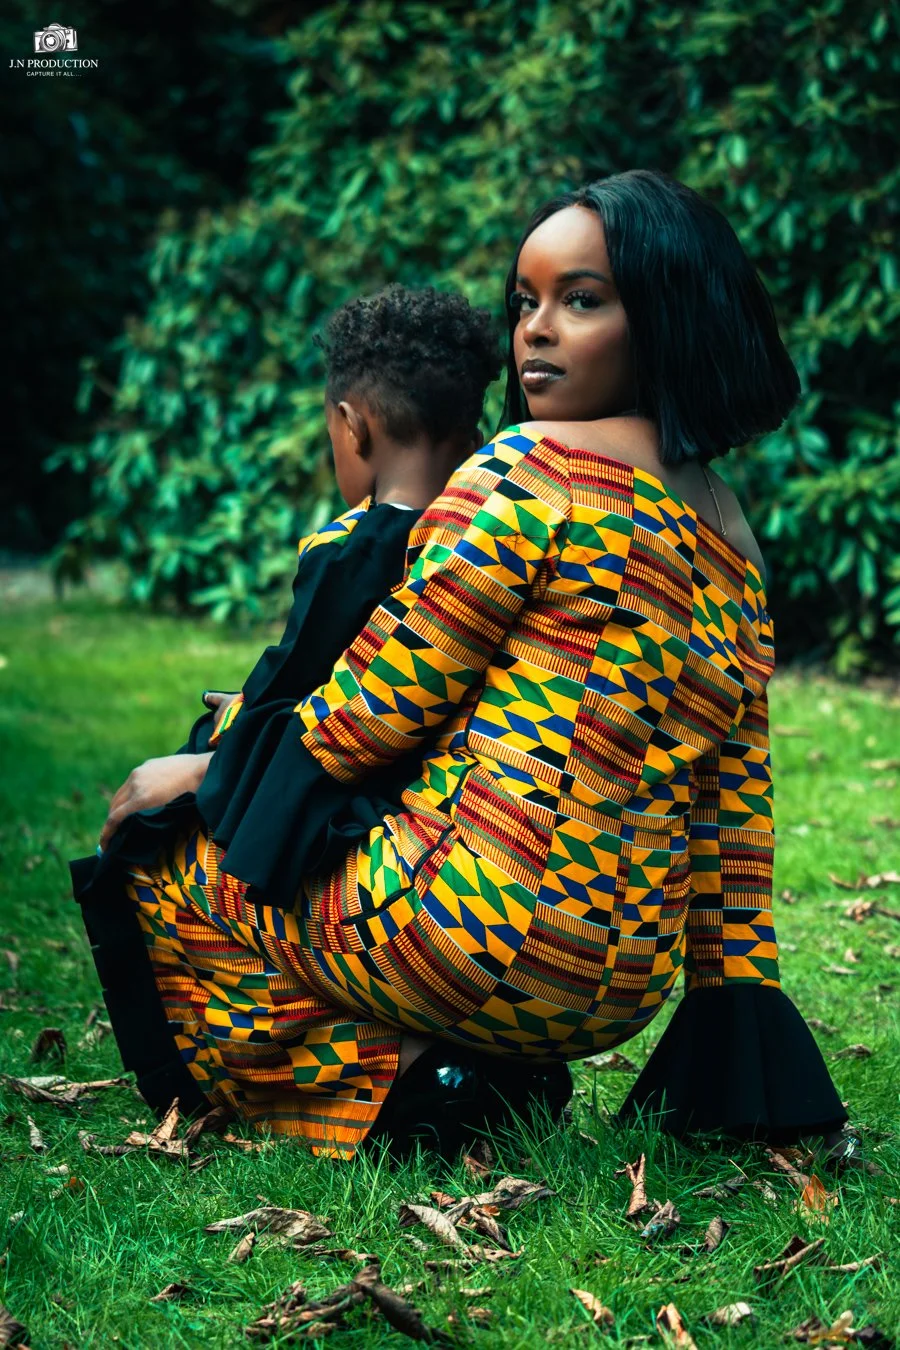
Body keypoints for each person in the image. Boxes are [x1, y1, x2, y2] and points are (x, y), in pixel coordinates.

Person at [76, 170, 853, 1166]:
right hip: (617, 983)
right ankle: (472, 1073)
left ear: (665, 311)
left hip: (459, 925)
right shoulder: (733, 540)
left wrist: (204, 772)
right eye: (525, 302)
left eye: (581, 299)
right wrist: (739, 1022)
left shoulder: (526, 473)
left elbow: (378, 708)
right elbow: (730, 817)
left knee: (163, 853)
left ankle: (389, 1095)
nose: (536, 330)